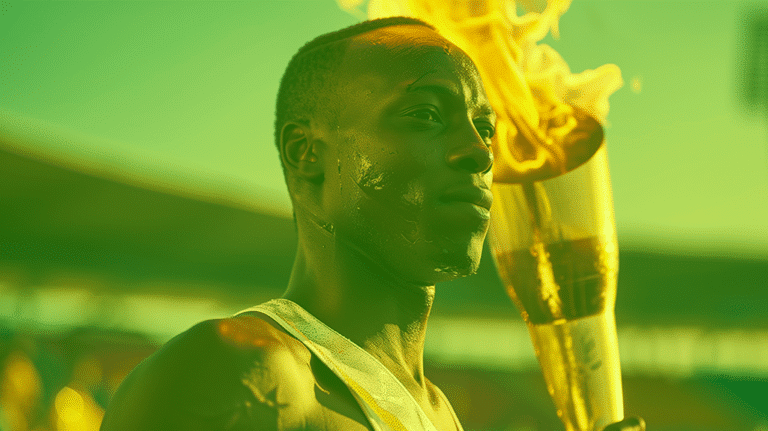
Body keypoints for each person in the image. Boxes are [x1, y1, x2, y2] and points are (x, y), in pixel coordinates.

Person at [100, 17, 645, 431]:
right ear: (307, 153)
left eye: (484, 127)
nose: (481, 155)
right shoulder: (243, 373)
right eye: (426, 115)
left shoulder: (440, 413)